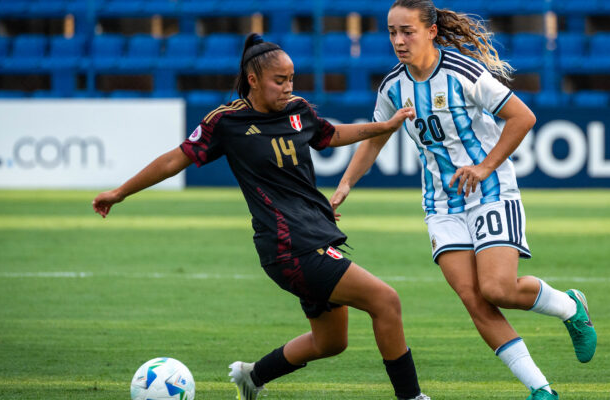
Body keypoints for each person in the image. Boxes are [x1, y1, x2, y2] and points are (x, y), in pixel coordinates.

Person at [92, 34, 430, 400]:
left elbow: (330, 135)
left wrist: (384, 126)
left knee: (331, 342)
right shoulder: (226, 121)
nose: (288, 87)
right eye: (279, 80)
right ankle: (411, 397)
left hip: (315, 236)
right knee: (386, 301)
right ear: (253, 80)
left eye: (291, 79)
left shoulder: (298, 110)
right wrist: (120, 192)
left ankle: (252, 376)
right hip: (289, 246)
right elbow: (175, 159)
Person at [330, 2, 596, 399]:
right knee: (473, 298)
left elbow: (522, 117)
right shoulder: (392, 87)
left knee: (497, 289)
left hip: (490, 192)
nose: (399, 41)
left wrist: (485, 167)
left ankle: (570, 307)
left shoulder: (462, 72)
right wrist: (345, 184)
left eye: (407, 31)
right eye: (392, 32)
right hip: (441, 205)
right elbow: (377, 137)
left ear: (431, 31)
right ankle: (541, 389)